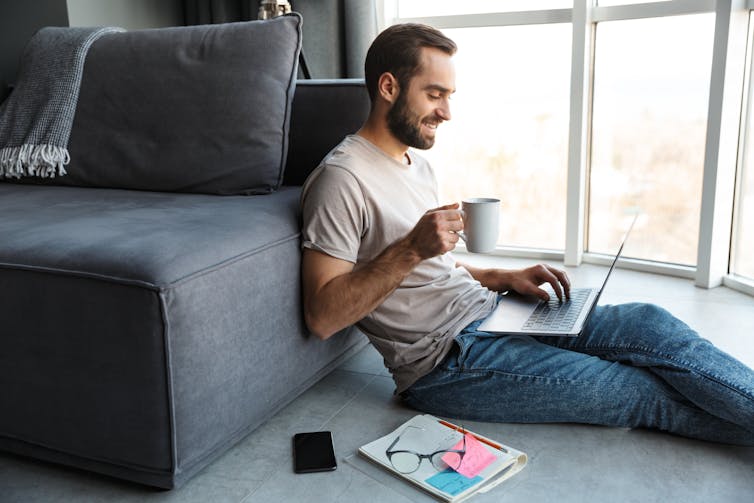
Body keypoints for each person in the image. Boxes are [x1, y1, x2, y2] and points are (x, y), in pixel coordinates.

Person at [300, 23, 754, 445]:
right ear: (388, 87)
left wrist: (500, 275)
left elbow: (426, 267)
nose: (447, 112)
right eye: (434, 94)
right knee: (632, 390)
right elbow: (323, 316)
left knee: (650, 325)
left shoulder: (416, 165)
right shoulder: (341, 179)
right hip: (446, 363)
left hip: (492, 311)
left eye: (450, 95)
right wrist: (410, 249)